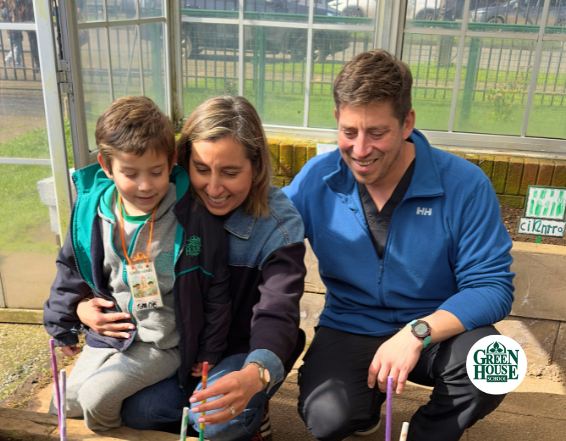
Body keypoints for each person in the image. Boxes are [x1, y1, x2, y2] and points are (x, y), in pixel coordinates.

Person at [283, 50, 515, 441]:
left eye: (377, 133)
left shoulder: (465, 184)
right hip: (351, 324)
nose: (360, 150)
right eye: (349, 132)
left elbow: (492, 287)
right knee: (327, 420)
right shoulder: (317, 178)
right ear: (337, 118)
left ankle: (427, 433)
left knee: (497, 364)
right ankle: (364, 406)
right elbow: (266, 228)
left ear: (407, 123)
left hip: (436, 327)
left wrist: (417, 332)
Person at [75, 95, 306, 441]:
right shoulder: (155, 199)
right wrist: (81, 305)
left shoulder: (279, 228)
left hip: (242, 348)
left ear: (256, 167)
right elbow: (97, 260)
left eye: (230, 173)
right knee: (139, 410)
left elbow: (278, 312)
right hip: (181, 347)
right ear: (180, 162)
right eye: (201, 169)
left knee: (213, 419)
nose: (214, 188)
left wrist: (256, 373)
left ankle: (252, 411)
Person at [43, 96, 231, 431]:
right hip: (111, 337)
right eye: (130, 173)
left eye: (156, 172)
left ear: (171, 161)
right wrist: (63, 323)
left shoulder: (193, 219)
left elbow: (216, 289)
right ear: (106, 165)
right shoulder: (90, 213)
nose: (145, 186)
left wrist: (209, 350)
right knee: (63, 401)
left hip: (162, 345)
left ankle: (111, 432)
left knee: (96, 399)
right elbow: (70, 267)